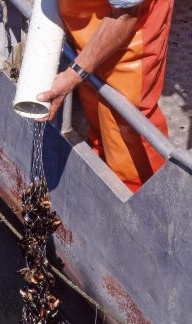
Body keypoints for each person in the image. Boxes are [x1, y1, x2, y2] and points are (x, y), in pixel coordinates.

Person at [37, 0, 174, 192]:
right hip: (86, 25)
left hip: (130, 31)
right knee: (96, 113)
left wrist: (73, 75)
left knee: (127, 128)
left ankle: (144, 200)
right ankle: (103, 183)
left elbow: (125, 17)